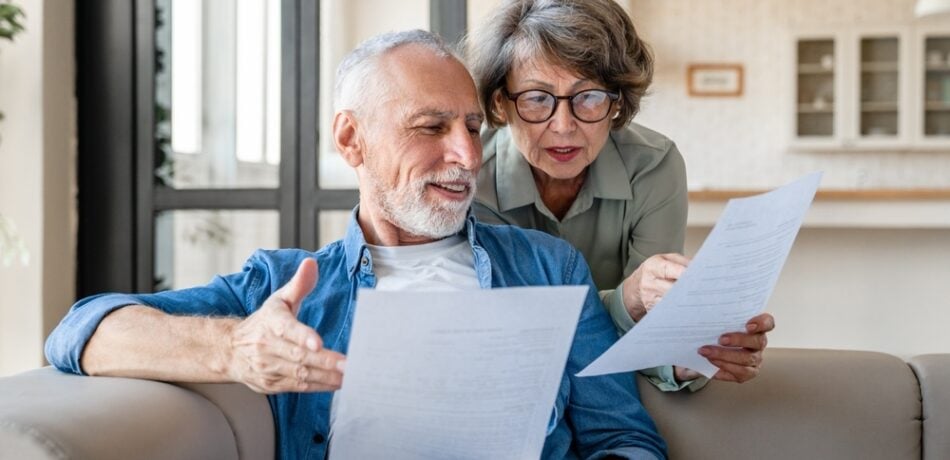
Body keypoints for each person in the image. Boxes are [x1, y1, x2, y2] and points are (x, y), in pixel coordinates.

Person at [45, 30, 667, 460]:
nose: (467, 156)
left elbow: (621, 436)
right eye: (432, 127)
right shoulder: (286, 287)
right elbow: (79, 332)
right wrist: (235, 348)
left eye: (473, 127)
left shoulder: (549, 267)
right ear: (351, 140)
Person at [466, 0, 773, 390]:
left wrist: (688, 358)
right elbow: (516, 335)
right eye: (537, 98)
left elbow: (657, 328)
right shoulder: (471, 179)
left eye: (589, 96)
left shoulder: (654, 166)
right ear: (500, 102)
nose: (563, 126)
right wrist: (627, 300)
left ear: (618, 102)